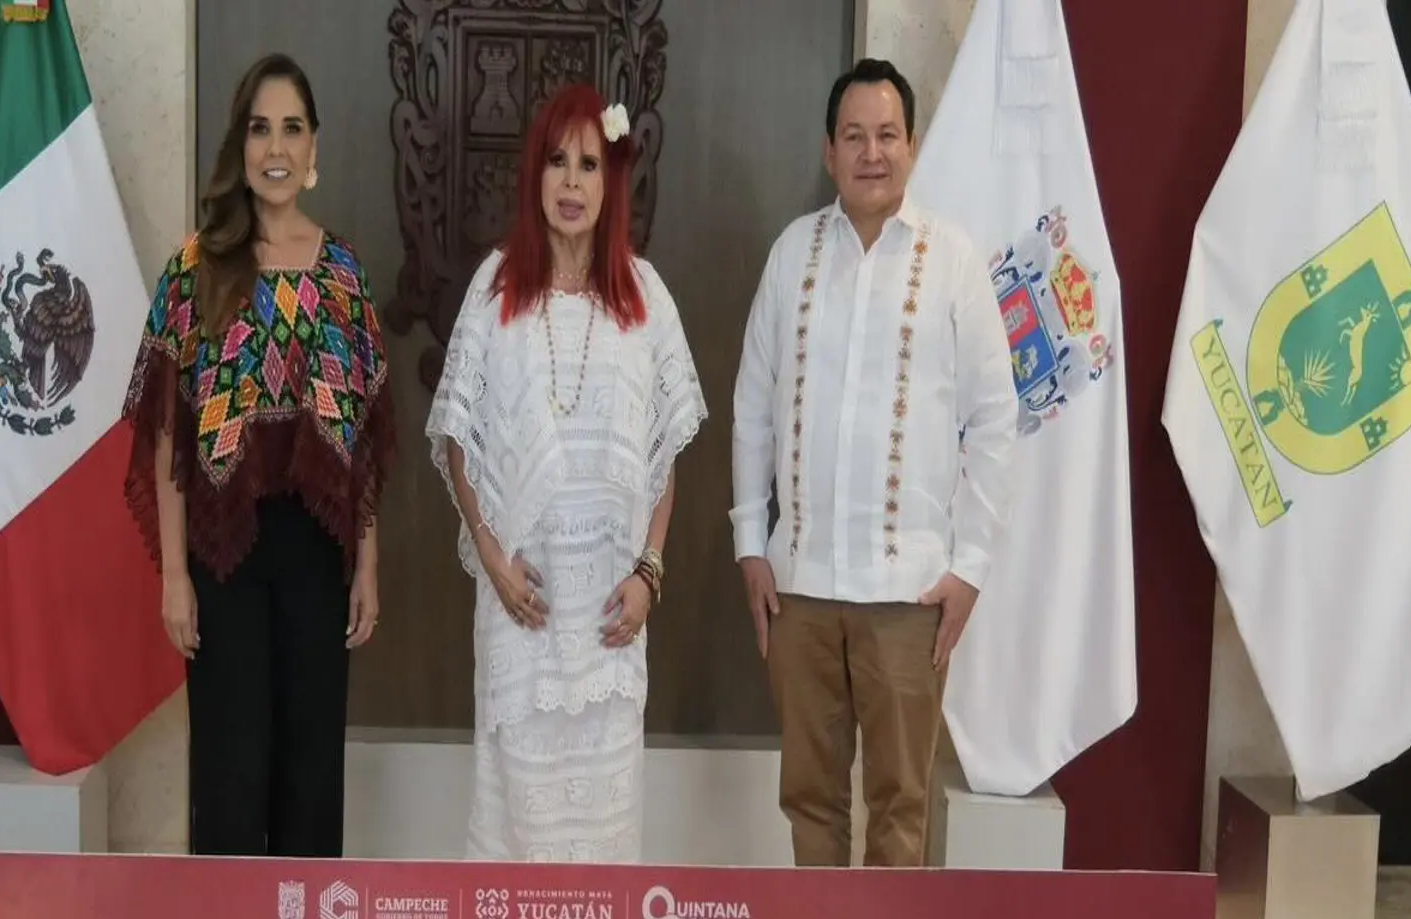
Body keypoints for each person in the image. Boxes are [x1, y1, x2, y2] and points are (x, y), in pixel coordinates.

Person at [730, 58, 1017, 870]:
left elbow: (996, 419)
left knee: (901, 804)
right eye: (853, 136)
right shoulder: (794, 255)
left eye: (886, 134)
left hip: (908, 595)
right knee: (811, 801)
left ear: (912, 146)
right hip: (803, 591)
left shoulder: (954, 261)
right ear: (828, 152)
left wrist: (971, 565)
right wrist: (752, 540)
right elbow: (753, 400)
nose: (871, 152)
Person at [122, 54, 396, 857]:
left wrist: (368, 563)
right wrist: (175, 574)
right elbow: (170, 434)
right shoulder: (196, 269)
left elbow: (363, 439)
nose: (275, 146)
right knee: (231, 774)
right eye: (259, 128)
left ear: (315, 151)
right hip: (224, 555)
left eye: (292, 128)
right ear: (240, 147)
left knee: (311, 772)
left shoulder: (343, 276)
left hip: (318, 551)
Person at [427, 83, 706, 864]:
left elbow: (664, 454)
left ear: (613, 181)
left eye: (590, 164)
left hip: (611, 618)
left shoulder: (647, 297)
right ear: (534, 176)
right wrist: (488, 555)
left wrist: (651, 571)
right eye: (557, 162)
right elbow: (458, 435)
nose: (573, 182)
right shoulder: (494, 289)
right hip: (523, 608)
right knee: (521, 836)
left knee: (604, 848)